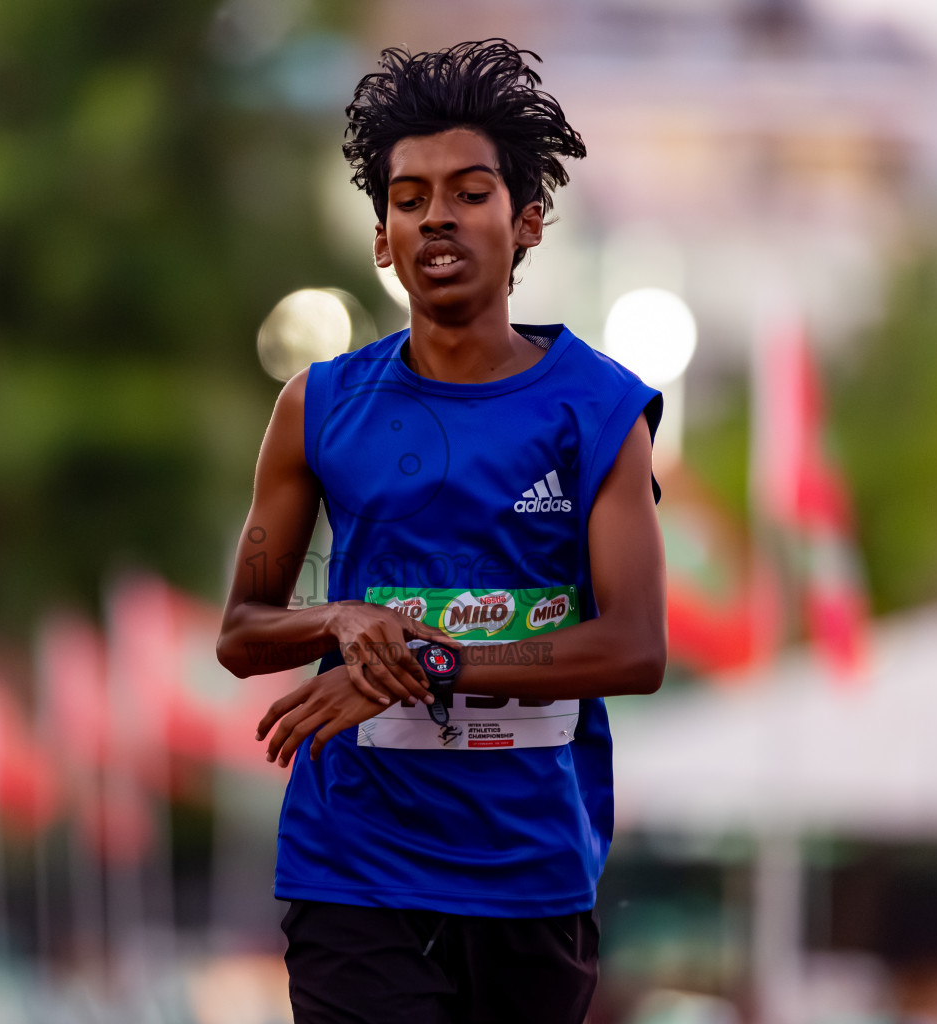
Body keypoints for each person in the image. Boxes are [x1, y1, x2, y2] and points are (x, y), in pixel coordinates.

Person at [216, 39, 667, 1024]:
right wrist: (341, 619)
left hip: (529, 870)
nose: (437, 218)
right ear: (382, 239)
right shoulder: (316, 407)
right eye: (410, 199)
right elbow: (242, 632)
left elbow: (635, 648)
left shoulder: (599, 410)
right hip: (353, 863)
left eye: (469, 192)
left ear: (528, 220)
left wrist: (431, 664)